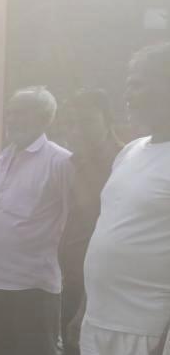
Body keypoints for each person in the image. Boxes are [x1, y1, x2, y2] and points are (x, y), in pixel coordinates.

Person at [79, 43, 170, 355]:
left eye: (137, 84)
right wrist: (84, 311)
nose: (127, 95)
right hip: (98, 324)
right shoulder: (131, 151)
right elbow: (105, 233)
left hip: (147, 333)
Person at [0, 86, 74, 355]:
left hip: (34, 285)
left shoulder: (60, 161)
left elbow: (72, 220)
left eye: (21, 113)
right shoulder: (4, 158)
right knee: (0, 349)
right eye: (10, 113)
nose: (12, 119)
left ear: (44, 118)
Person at [57, 89, 123, 355]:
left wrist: (84, 309)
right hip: (72, 285)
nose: (76, 130)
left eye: (86, 122)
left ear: (108, 120)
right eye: (71, 123)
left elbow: (114, 243)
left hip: (101, 294)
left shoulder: (121, 166)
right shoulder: (76, 162)